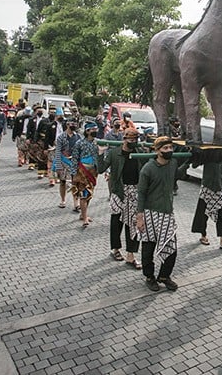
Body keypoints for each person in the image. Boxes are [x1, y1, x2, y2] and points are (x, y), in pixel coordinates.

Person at [136, 136, 180, 292]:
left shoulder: (173, 163)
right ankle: (149, 277)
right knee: (148, 247)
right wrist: (140, 217)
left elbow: (179, 174)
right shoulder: (148, 169)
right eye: (165, 148)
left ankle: (164, 276)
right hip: (150, 213)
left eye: (170, 147)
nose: (169, 150)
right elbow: (141, 193)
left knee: (171, 247)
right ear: (157, 150)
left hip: (167, 213)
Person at [102, 128, 145, 268]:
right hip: (119, 191)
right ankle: (115, 249)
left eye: (135, 139)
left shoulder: (140, 152)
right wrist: (99, 153)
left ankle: (131, 255)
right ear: (124, 139)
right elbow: (101, 168)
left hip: (134, 191)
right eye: (131, 139)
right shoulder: (114, 153)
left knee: (133, 223)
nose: (133, 142)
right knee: (116, 221)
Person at [192, 162, 222, 250]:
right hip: (207, 188)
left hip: (220, 188)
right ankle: (203, 235)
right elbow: (195, 164)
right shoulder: (208, 155)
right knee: (202, 213)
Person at [71, 122, 101, 226]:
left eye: (96, 129)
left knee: (89, 194)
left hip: (93, 172)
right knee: (83, 194)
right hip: (82, 172)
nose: (95, 131)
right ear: (87, 131)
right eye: (93, 129)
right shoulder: (79, 143)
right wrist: (73, 173)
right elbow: (74, 158)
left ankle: (83, 214)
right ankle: (84, 219)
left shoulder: (98, 142)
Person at [53, 119, 80, 209]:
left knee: (75, 182)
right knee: (63, 182)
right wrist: (58, 166)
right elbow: (57, 151)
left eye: (75, 124)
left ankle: (76, 203)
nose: (74, 125)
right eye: (72, 124)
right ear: (68, 125)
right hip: (63, 161)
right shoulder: (61, 137)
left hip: (74, 162)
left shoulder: (78, 136)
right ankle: (63, 200)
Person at [27, 106, 51, 179]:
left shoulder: (47, 121)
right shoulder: (34, 120)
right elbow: (34, 131)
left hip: (49, 142)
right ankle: (37, 169)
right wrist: (32, 139)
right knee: (39, 155)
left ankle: (47, 171)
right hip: (39, 140)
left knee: (47, 157)